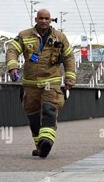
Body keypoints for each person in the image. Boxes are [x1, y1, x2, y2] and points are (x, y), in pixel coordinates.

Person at [6, 9, 76, 158]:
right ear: (36, 19)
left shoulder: (60, 37)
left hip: (51, 83)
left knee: (49, 109)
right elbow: (12, 50)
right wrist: (12, 67)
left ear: (51, 20)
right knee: (33, 116)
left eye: (47, 18)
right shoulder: (24, 35)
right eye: (41, 18)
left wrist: (70, 79)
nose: (44, 21)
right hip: (30, 85)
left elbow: (69, 57)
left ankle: (47, 142)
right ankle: (40, 145)